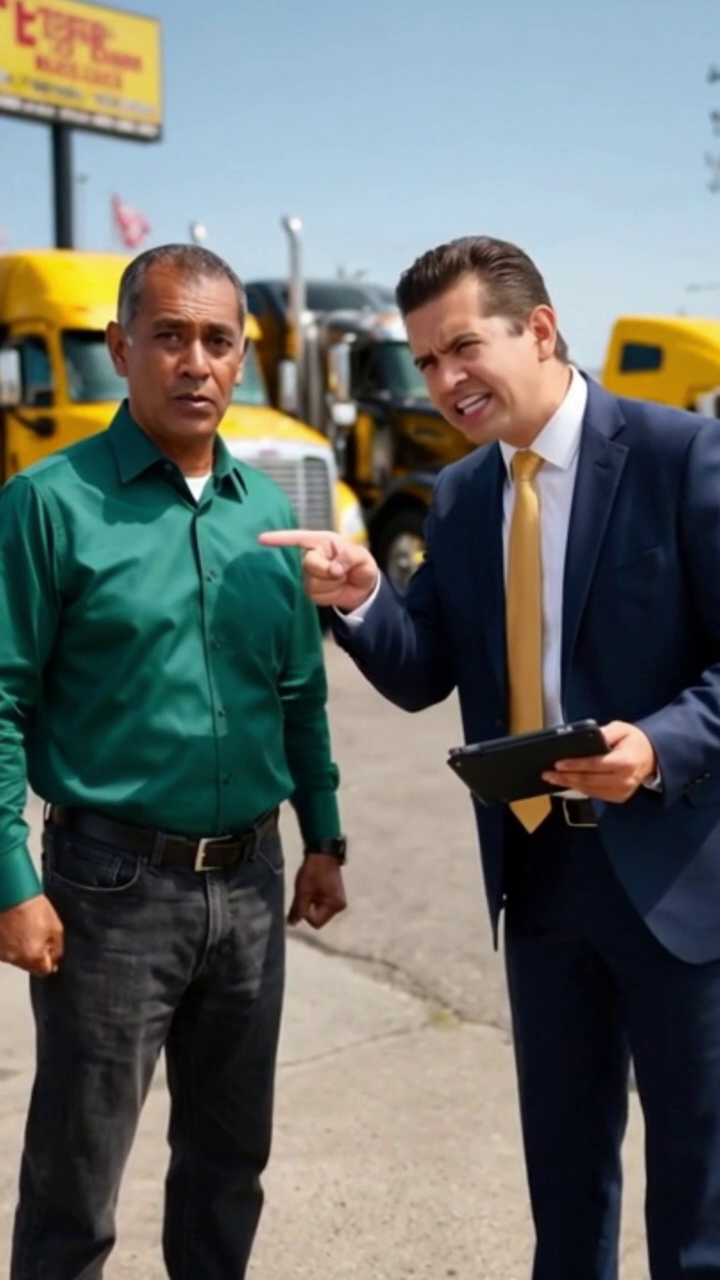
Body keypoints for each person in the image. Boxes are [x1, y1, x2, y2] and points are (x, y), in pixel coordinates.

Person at [260, 235, 720, 1280]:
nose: (444, 379)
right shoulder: (462, 494)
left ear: (541, 330)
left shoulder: (680, 455)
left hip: (678, 881)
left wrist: (657, 744)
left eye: (463, 347)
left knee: (699, 1207)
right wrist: (365, 600)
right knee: (565, 1192)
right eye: (426, 359)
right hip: (540, 877)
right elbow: (424, 668)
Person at [0, 243, 348, 1280]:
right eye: (169, 336)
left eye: (218, 340)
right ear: (121, 348)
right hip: (109, 890)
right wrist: (12, 880)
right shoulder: (47, 504)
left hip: (252, 885)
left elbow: (297, 690)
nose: (196, 361)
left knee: (229, 1164)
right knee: (76, 1179)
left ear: (241, 358)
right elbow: (3, 698)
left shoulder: (267, 515)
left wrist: (324, 837)